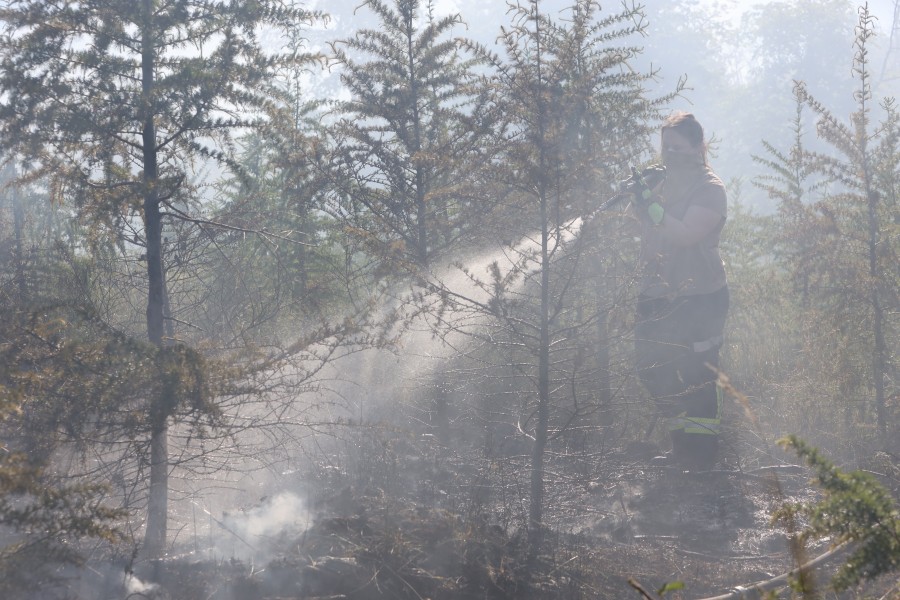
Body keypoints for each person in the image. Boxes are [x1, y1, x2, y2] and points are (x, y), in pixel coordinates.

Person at [630, 112, 729, 470]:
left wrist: (653, 206)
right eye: (665, 146)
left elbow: (687, 233)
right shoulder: (663, 182)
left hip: (700, 297)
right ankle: (680, 446)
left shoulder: (710, 188)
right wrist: (640, 199)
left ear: (698, 146)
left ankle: (700, 460)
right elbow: (642, 224)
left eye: (677, 147)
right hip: (656, 293)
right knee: (650, 368)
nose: (669, 153)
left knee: (698, 374)